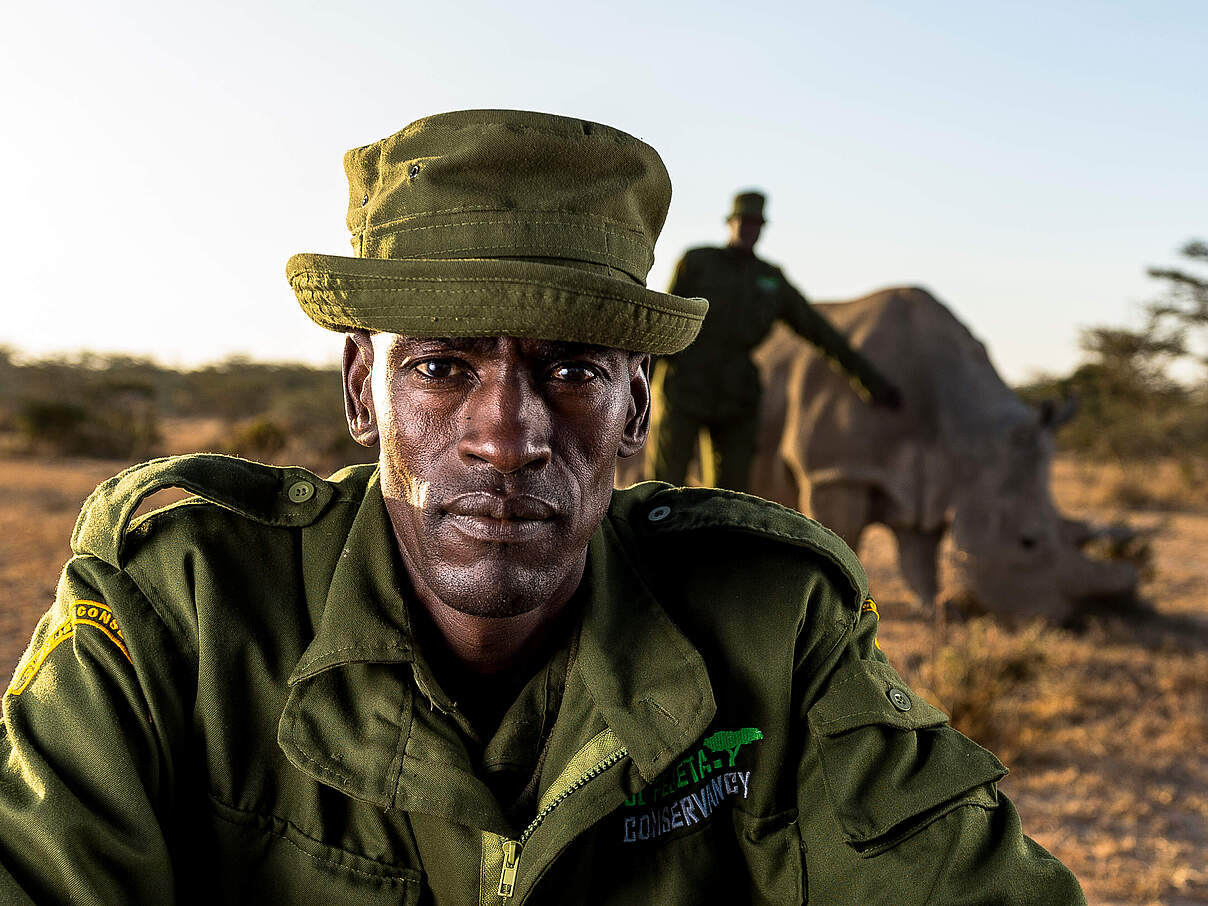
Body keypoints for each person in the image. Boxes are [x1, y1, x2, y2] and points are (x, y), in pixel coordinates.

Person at [0, 109, 1083, 904]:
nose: (507, 436)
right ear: (361, 392)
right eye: (440, 368)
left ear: (635, 408)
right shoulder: (178, 610)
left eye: (571, 372)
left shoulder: (772, 625)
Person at [648, 190, 903, 491]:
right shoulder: (697, 262)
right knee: (663, 488)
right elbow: (663, 323)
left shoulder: (770, 279)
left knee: (730, 496)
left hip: (737, 397)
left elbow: (821, 333)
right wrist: (636, 385)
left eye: (755, 224)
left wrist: (873, 383)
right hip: (685, 387)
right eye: (743, 221)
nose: (748, 229)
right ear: (730, 223)